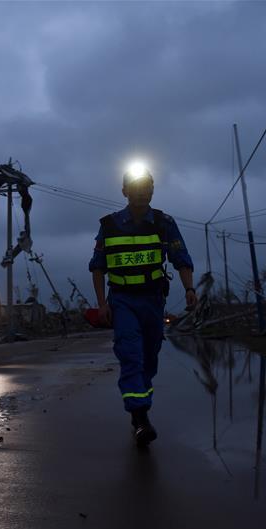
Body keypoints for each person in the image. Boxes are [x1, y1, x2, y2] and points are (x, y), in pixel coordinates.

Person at [88, 163, 197, 447]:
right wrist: (102, 304)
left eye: (147, 188)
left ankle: (141, 402)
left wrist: (190, 288)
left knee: (149, 356)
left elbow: (180, 256)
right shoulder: (109, 225)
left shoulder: (164, 222)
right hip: (122, 300)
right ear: (124, 191)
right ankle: (140, 418)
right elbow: (98, 268)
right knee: (131, 353)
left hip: (152, 300)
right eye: (136, 188)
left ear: (152, 191)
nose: (142, 193)